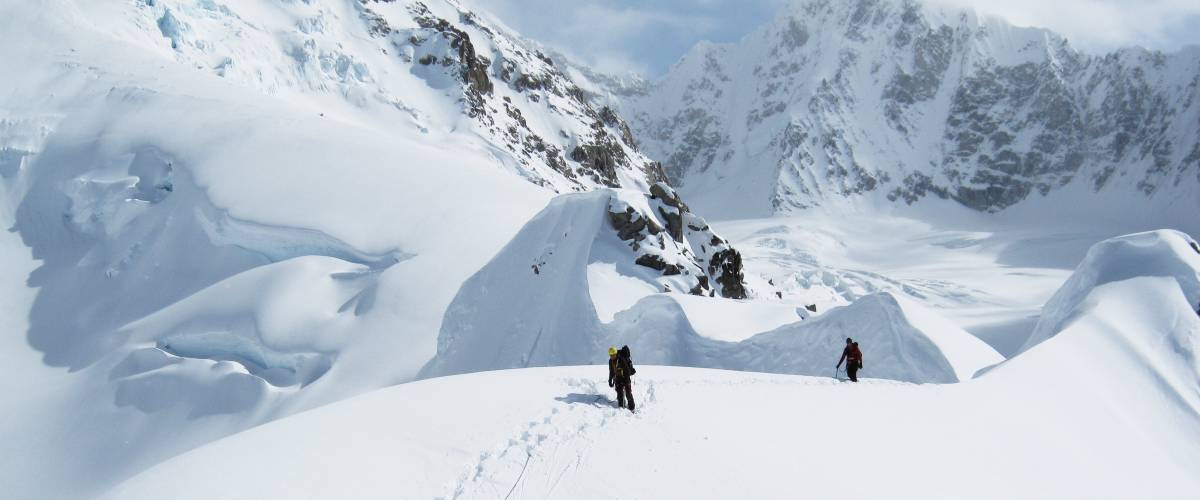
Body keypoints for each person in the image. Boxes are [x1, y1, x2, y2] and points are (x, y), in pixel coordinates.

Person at [607, 345, 636, 411]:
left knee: (628, 393)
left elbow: (627, 371)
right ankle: (621, 408)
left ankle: (632, 408)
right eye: (610, 355)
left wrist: (626, 381)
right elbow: (611, 371)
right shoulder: (610, 361)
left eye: (613, 355)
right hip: (618, 378)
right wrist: (610, 380)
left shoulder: (621, 359)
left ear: (615, 353)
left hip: (626, 377)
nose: (612, 356)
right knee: (619, 393)